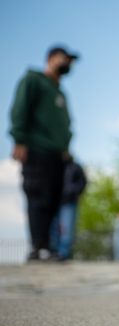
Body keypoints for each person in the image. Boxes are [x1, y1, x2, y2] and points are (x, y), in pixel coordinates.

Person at [9, 45, 79, 262]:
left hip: (58, 155)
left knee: (54, 199)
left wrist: (66, 148)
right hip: (37, 149)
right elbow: (20, 109)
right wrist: (19, 138)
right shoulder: (34, 81)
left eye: (70, 60)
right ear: (50, 58)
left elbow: (65, 124)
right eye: (63, 58)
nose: (67, 64)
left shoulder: (59, 91)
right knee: (38, 196)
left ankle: (49, 246)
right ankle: (38, 247)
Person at [50, 159, 87, 261]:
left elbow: (82, 182)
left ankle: (63, 253)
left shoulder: (75, 166)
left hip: (69, 200)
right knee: (54, 227)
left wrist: (74, 192)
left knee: (67, 228)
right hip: (54, 201)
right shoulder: (53, 165)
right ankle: (54, 251)